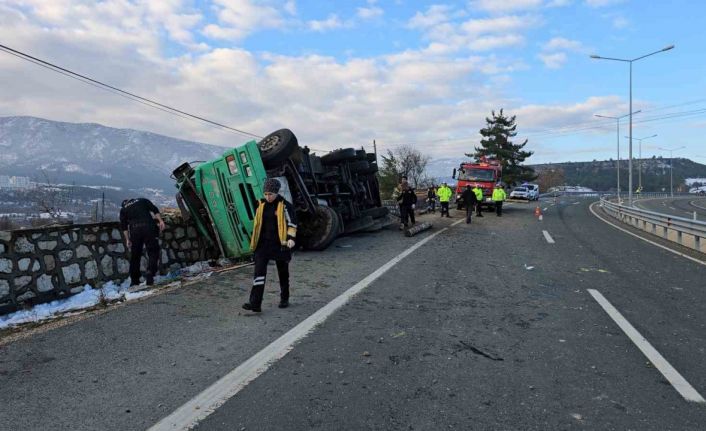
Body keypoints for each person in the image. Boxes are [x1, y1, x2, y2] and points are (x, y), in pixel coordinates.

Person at [243, 178, 297, 313]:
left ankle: (284, 298)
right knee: (259, 273)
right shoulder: (260, 205)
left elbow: (292, 224)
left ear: (276, 193)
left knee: (283, 273)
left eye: (270, 194)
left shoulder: (285, 205)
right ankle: (255, 303)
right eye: (266, 194)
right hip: (262, 245)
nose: (268, 197)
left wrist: (291, 238)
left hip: (280, 245)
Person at [120, 198, 165, 286]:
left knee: (135, 256)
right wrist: (160, 221)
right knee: (153, 251)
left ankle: (134, 280)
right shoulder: (142, 200)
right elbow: (154, 209)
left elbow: (124, 226)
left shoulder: (123, 209)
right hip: (149, 227)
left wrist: (127, 239)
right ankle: (150, 272)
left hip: (135, 230)